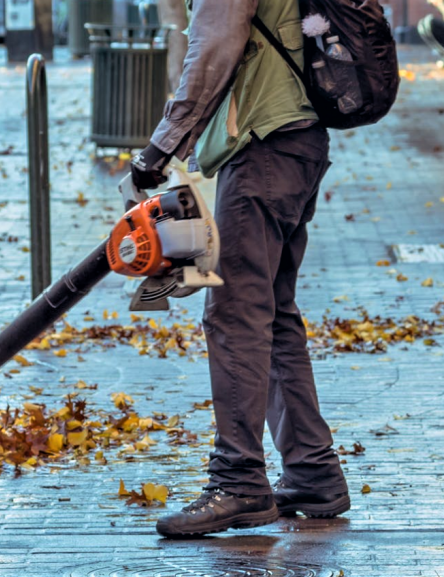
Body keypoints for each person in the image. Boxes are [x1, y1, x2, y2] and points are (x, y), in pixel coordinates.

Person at [130, 0, 351, 538]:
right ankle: (312, 472)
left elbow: (214, 48)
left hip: (263, 146)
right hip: (298, 139)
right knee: (271, 314)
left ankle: (238, 482)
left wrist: (160, 148)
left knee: (234, 315)